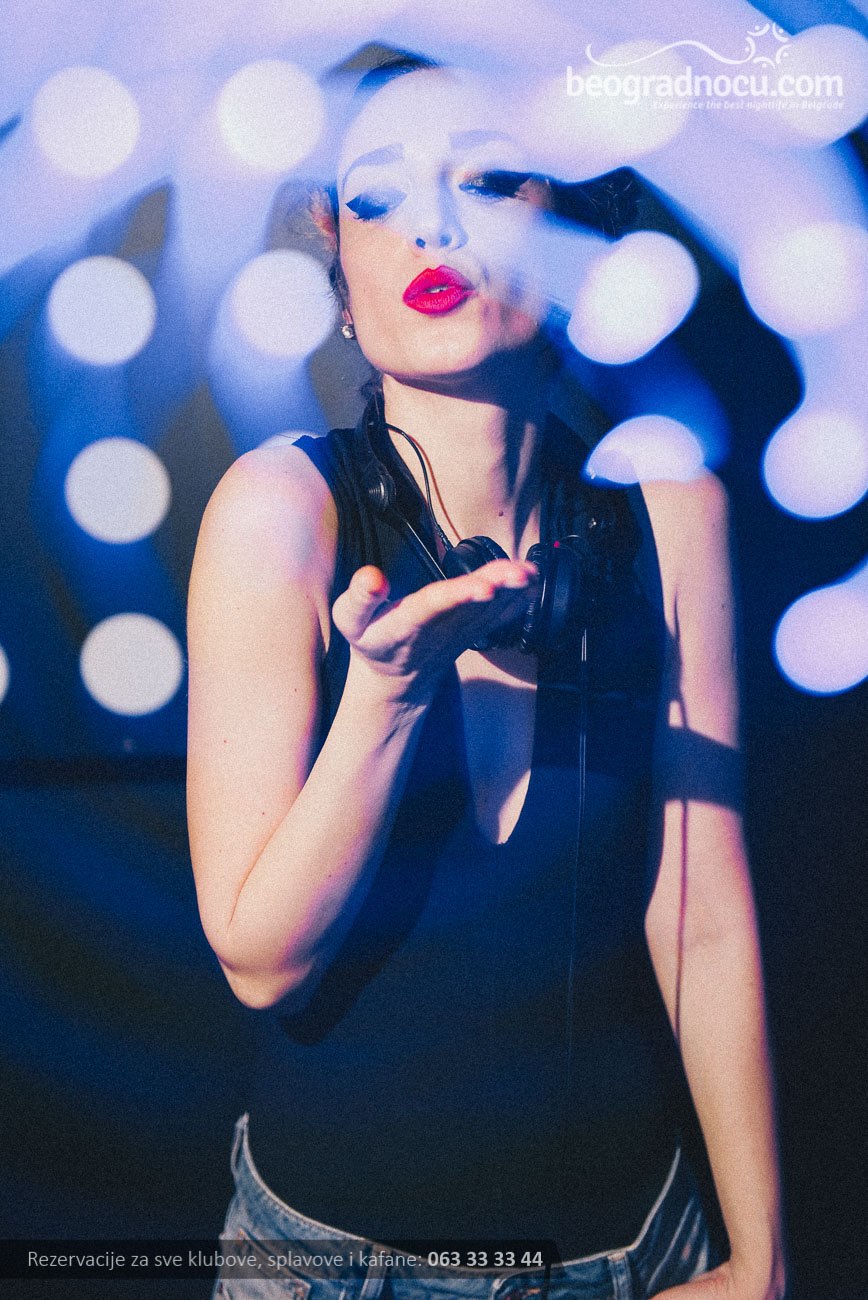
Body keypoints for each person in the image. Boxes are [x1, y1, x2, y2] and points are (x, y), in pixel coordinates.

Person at [186, 52, 787, 1300]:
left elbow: (704, 911)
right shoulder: (279, 512)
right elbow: (259, 959)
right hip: (330, 1271)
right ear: (339, 263)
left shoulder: (669, 511)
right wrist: (384, 699)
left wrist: (762, 1256)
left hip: (635, 1256)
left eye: (488, 180)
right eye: (378, 195)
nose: (431, 229)